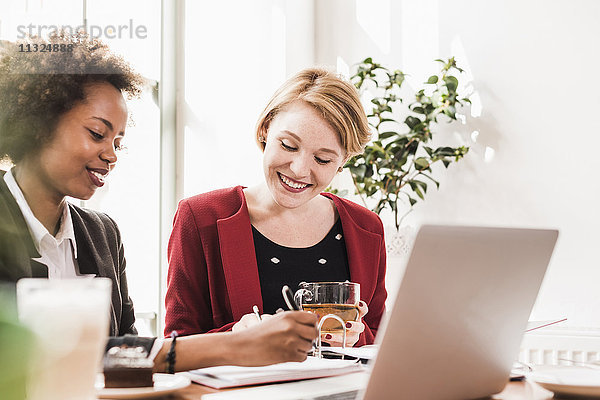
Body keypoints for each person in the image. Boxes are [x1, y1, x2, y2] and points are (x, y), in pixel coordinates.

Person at [0, 32, 318, 372]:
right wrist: (231, 345)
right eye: (97, 133)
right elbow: (27, 357)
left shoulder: (101, 233)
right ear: (38, 123)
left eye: (118, 143)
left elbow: (126, 354)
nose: (110, 156)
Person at [165, 67, 387, 347]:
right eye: (288, 145)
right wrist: (237, 337)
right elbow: (175, 347)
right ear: (265, 129)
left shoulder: (366, 228)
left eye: (322, 159)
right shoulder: (200, 217)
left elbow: (378, 342)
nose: (299, 170)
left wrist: (356, 334)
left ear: (342, 162)